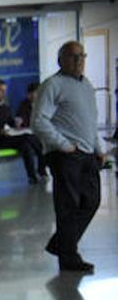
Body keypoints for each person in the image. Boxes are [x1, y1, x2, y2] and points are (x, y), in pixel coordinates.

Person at [32, 42, 108, 275]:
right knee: (68, 206)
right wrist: (63, 144)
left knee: (91, 201)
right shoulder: (52, 85)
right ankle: (69, 258)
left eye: (82, 56)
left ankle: (60, 244)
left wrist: (98, 148)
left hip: (86, 153)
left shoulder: (86, 85)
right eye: (73, 56)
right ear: (60, 60)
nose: (78, 60)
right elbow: (38, 121)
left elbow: (89, 121)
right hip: (65, 155)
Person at [0, 79, 43, 184]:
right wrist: (0, 130)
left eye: (4, 90)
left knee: (26, 145)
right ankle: (41, 165)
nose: (3, 93)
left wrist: (16, 123)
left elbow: (10, 122)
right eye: (1, 90)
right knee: (28, 137)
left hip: (7, 136)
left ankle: (32, 176)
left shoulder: (5, 107)